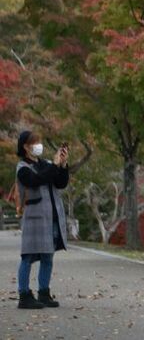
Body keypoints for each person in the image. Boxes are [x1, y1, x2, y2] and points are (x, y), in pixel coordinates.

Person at [14, 130, 69, 310]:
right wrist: (54, 165)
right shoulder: (22, 167)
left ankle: (43, 293)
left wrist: (62, 165)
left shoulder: (45, 163)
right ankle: (24, 295)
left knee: (48, 256)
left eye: (39, 141)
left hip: (51, 216)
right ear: (25, 146)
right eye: (35, 142)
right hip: (34, 218)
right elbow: (36, 180)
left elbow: (60, 183)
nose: (39, 145)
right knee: (28, 256)